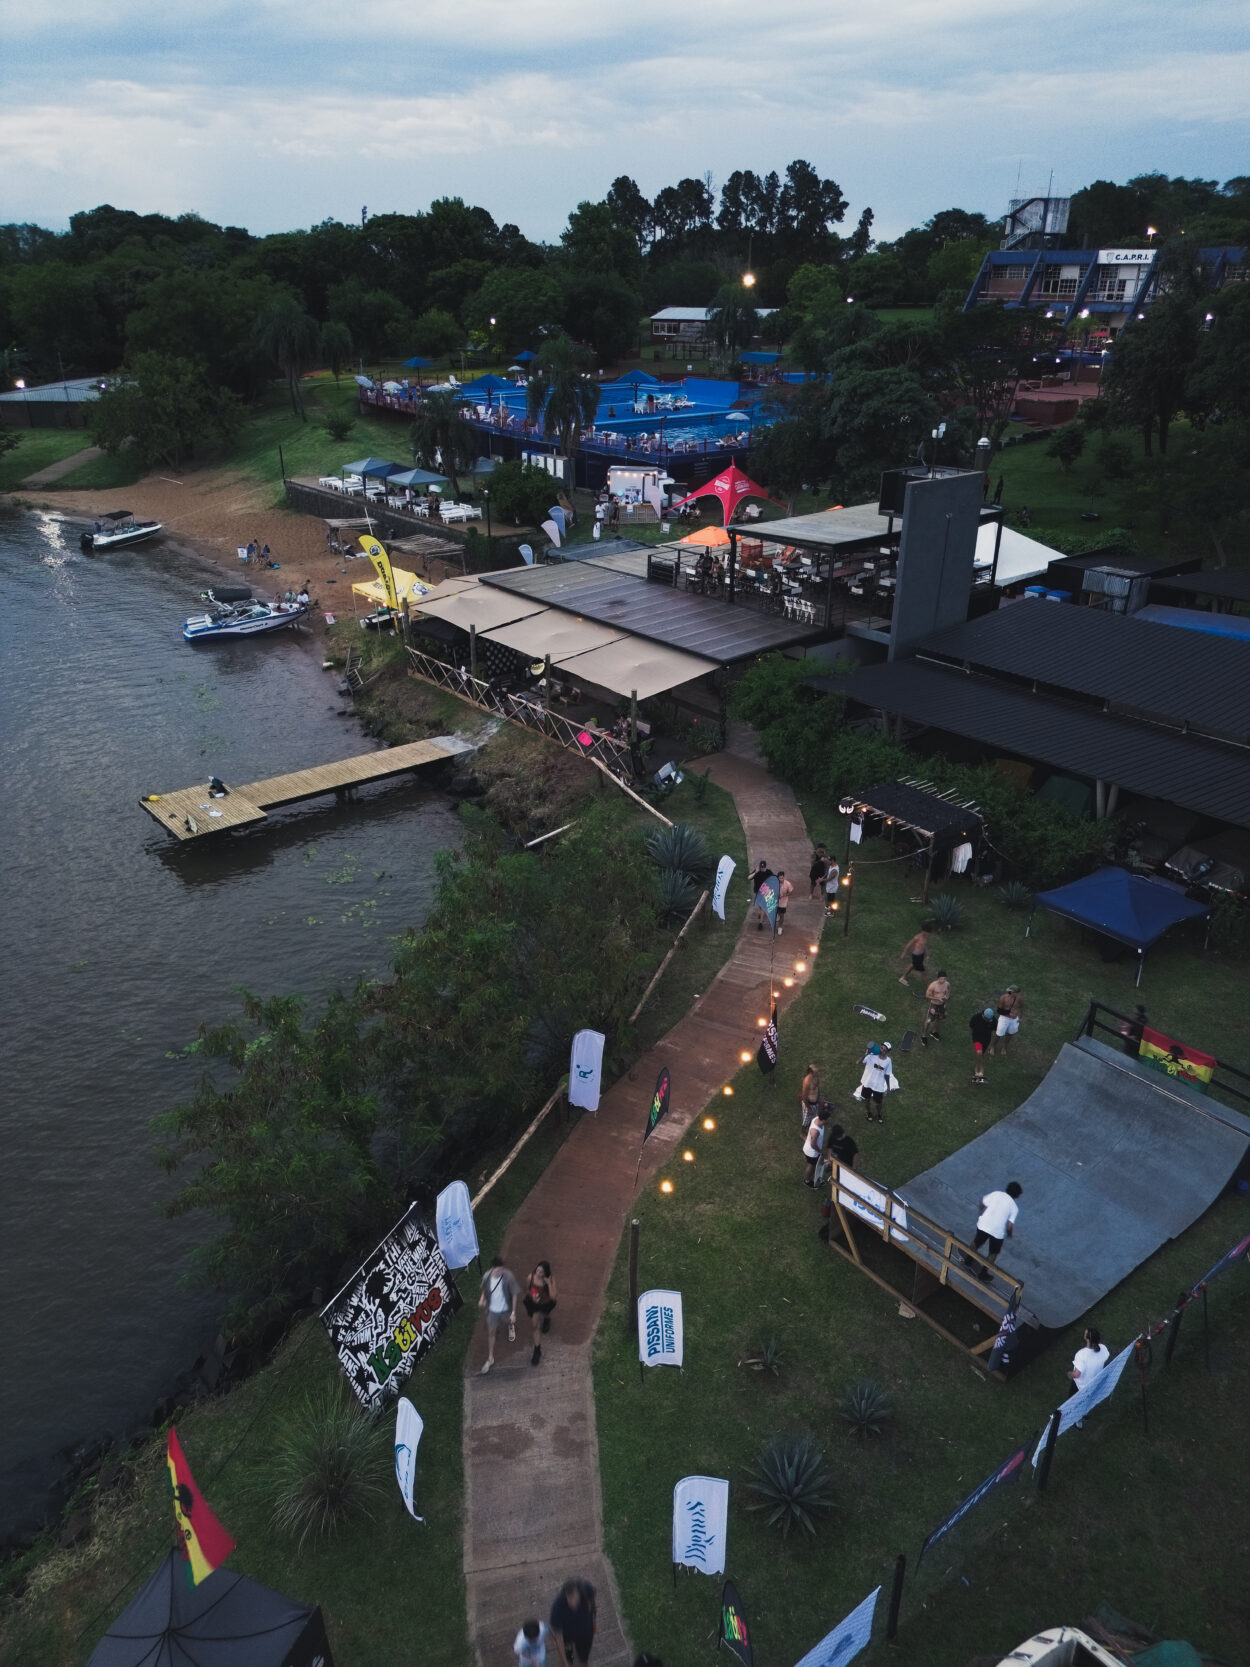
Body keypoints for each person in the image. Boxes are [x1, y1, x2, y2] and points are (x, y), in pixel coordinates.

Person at [477, 1256, 520, 1374]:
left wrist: (514, 1312)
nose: (500, 1272)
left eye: (502, 1270)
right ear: (492, 1269)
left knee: (511, 1321)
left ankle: (511, 1326)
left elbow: (515, 1294)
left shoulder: (508, 1276)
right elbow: (484, 1291)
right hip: (492, 1311)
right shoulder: (486, 1277)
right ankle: (490, 1358)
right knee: (491, 1333)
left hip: (506, 1309)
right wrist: (482, 1299)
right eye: (498, 1270)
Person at [971, 1181, 1022, 1280]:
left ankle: (968, 1259)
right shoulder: (1014, 1208)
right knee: (993, 1254)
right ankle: (983, 1273)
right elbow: (1009, 1226)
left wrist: (980, 1210)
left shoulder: (996, 1194)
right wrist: (1009, 1234)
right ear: (1017, 1195)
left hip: (983, 1225)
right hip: (997, 1233)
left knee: (976, 1243)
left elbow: (983, 1202)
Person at [1067, 1326, 1110, 1426]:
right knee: (1086, 1401)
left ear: (1087, 1339)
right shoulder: (1103, 1349)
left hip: (1081, 1386)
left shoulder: (1081, 1354)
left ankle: (1077, 1420)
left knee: (1074, 1403)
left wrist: (1069, 1374)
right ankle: (1084, 1414)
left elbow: (1077, 1374)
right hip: (1094, 1383)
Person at [550, 1578, 597, 1666]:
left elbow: (592, 1602)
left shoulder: (586, 1588)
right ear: (565, 1596)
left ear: (579, 1592)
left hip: (586, 1632)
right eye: (570, 1599)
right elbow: (558, 1637)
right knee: (567, 1655)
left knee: (584, 1660)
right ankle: (569, 1657)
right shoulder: (557, 1607)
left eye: (576, 1598)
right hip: (567, 1635)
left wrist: (594, 1621)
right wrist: (565, 1662)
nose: (573, 1603)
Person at [854, 1042, 898, 1125]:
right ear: (880, 1047)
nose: (882, 1051)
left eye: (885, 1050)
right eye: (882, 1048)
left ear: (888, 1052)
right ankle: (869, 1113)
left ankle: (879, 1115)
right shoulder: (871, 1056)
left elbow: (887, 1075)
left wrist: (888, 1087)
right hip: (867, 1083)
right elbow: (858, 1062)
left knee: (878, 1103)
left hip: (878, 1086)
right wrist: (866, 1053)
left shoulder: (888, 1061)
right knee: (866, 1100)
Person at [524, 1260, 558, 1366]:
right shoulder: (531, 1277)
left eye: (541, 1272)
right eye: (537, 1270)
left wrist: (549, 1284)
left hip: (546, 1303)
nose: (538, 1273)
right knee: (535, 1326)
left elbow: (553, 1296)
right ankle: (537, 1350)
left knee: (546, 1312)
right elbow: (527, 1290)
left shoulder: (550, 1279)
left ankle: (547, 1319)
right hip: (535, 1305)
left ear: (545, 1273)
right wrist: (533, 1295)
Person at [990, 986, 1024, 1056]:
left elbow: (1022, 1007)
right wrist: (1009, 1014)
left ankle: (1004, 1047)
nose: (1018, 995)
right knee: (999, 1034)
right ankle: (992, 1046)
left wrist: (1021, 1017)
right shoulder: (1003, 998)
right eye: (1016, 993)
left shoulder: (1019, 998)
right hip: (1004, 1019)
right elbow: (999, 1011)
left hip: (1014, 1020)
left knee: (1010, 1034)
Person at [920, 971, 951, 1046]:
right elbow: (927, 995)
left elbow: (948, 990)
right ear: (938, 978)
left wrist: (947, 997)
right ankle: (923, 1036)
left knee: (939, 1018)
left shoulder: (947, 984)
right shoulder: (933, 985)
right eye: (941, 979)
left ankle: (933, 1032)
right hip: (934, 1004)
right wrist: (937, 998)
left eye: (944, 979)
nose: (942, 981)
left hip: (942, 1004)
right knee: (928, 1020)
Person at [970, 1005, 995, 1084]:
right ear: (983, 1015)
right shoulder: (976, 1017)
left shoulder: (993, 1020)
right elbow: (971, 1025)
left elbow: (994, 1028)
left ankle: (976, 1069)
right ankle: (980, 1070)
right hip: (977, 1038)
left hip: (986, 1039)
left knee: (981, 1054)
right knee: (979, 1052)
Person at [802, 1106, 827, 1186]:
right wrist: (821, 1151)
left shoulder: (816, 1118)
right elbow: (813, 1144)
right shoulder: (816, 1131)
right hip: (811, 1152)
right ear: (824, 1120)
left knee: (814, 1165)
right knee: (811, 1165)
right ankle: (807, 1181)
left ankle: (813, 1177)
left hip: (812, 1150)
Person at [750, 859, 774, 932]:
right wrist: (755, 873)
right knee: (760, 906)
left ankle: (760, 923)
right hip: (758, 891)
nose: (762, 869)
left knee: (763, 906)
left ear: (765, 866)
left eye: (763, 867)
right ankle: (762, 913)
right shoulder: (757, 871)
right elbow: (749, 878)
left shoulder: (769, 872)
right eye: (761, 867)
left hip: (765, 892)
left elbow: (773, 880)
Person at [800, 1062, 821, 1127]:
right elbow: (804, 1096)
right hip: (809, 1104)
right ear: (811, 1073)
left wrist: (818, 1097)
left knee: (814, 1117)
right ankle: (803, 1133)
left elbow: (817, 1087)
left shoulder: (816, 1077)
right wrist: (808, 1108)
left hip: (815, 1103)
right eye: (816, 1072)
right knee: (806, 1121)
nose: (818, 1073)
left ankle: (812, 1123)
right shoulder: (807, 1081)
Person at [776, 871, 793, 935]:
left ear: (784, 877)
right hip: (776, 902)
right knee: (777, 913)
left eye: (782, 878)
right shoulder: (775, 883)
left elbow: (791, 892)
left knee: (782, 915)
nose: (781, 880)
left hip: (783, 903)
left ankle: (780, 928)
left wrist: (784, 895)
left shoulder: (787, 884)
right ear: (777, 878)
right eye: (780, 878)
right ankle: (777, 915)